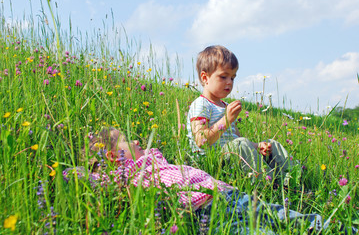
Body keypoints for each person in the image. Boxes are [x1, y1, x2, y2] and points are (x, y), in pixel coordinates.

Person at [72, 127, 357, 234]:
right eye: (126, 141)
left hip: (229, 194)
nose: (135, 139)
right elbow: (87, 178)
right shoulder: (125, 175)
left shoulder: (155, 158)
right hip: (206, 213)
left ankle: (340, 228)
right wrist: (83, 169)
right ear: (112, 158)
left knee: (284, 214)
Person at [186, 45, 293, 182]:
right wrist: (226, 119)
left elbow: (237, 138)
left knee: (271, 143)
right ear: (205, 77)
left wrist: (257, 146)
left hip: (232, 155)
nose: (229, 82)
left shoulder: (225, 106)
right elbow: (201, 140)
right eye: (223, 77)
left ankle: (291, 178)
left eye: (232, 78)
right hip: (211, 161)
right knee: (240, 144)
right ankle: (267, 183)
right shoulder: (201, 104)